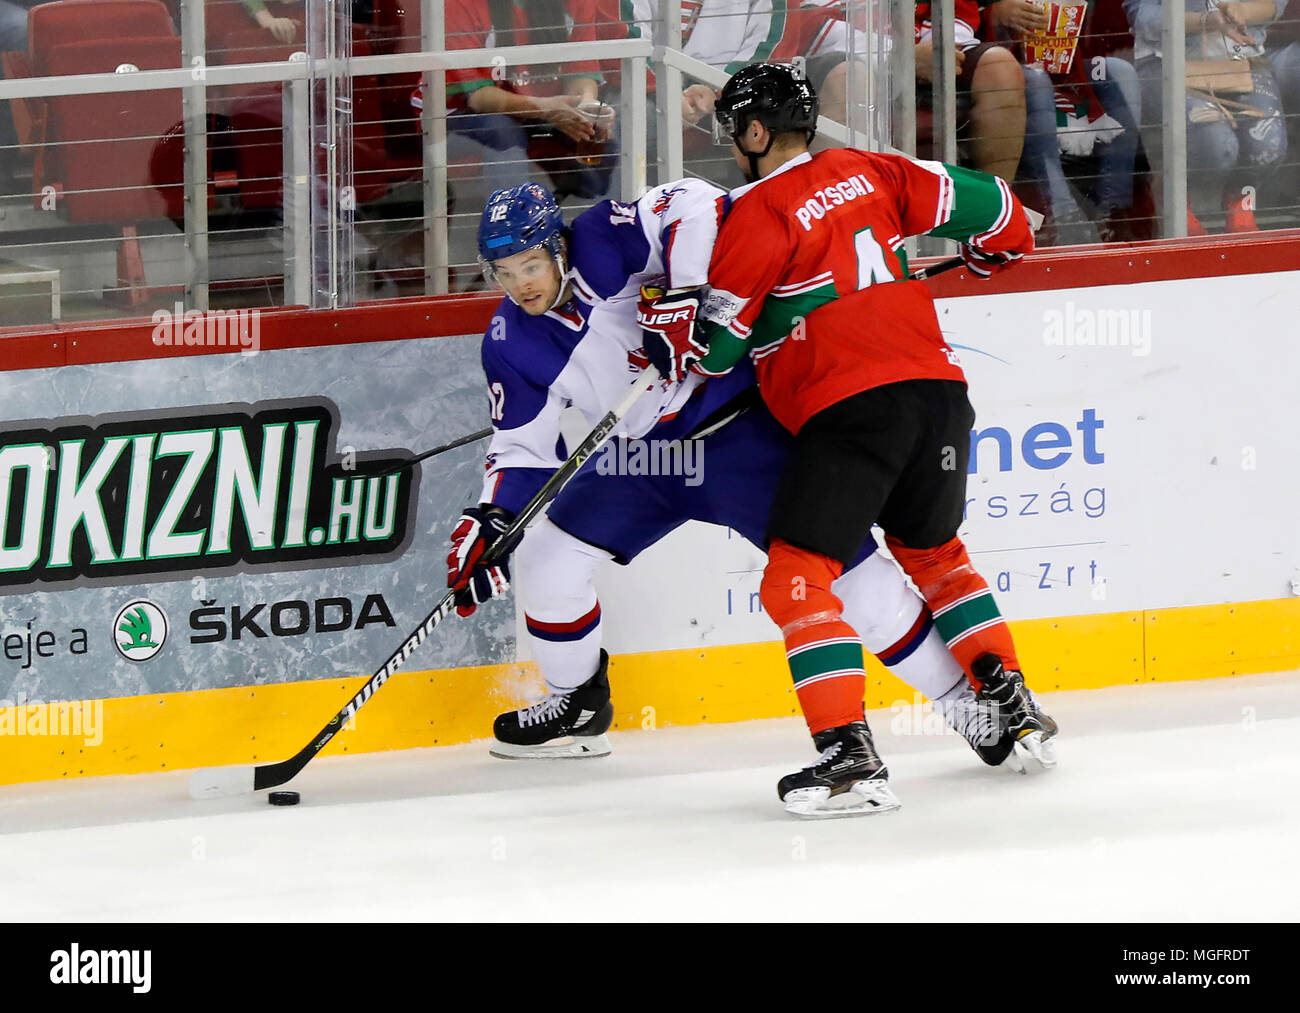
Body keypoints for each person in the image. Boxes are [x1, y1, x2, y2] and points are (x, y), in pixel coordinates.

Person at [446, 180, 1034, 814]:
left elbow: (698, 201)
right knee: (544, 559)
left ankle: (971, 708)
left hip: (739, 436)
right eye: (504, 273)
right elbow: (522, 447)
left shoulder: (600, 238)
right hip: (646, 459)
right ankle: (578, 701)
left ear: (557, 248)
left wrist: (689, 294)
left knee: (845, 581)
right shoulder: (510, 340)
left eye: (530, 265)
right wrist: (493, 515)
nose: (520, 284)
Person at [662, 63, 1058, 813]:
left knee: (797, 580)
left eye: (732, 134)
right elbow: (1004, 212)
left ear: (752, 132)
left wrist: (673, 332)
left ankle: (850, 759)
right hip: (940, 396)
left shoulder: (756, 212)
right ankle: (1014, 705)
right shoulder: (873, 168)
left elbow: (712, 351)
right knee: (937, 555)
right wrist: (990, 254)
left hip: (851, 408)